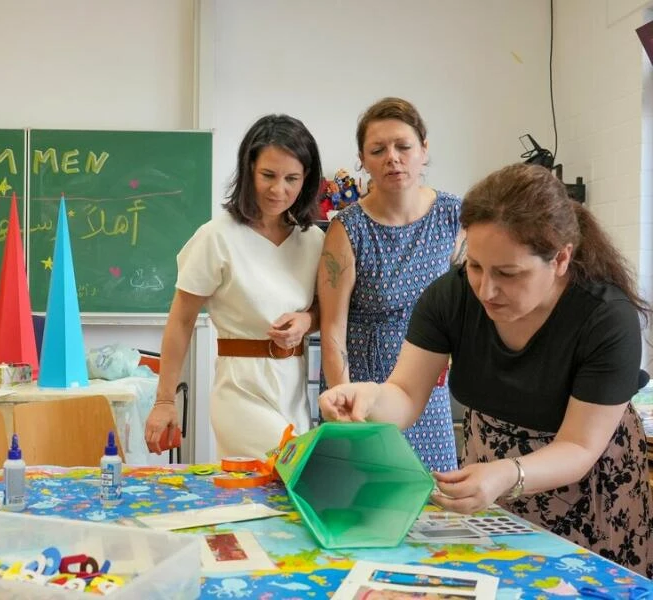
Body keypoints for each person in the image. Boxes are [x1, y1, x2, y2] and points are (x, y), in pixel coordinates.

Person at [319, 163, 652, 577]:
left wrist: (506, 474)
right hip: (490, 474)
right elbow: (404, 395)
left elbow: (580, 448)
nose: (486, 290)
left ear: (562, 258)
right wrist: (368, 398)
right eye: (475, 266)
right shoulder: (451, 296)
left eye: (508, 274)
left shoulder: (605, 318)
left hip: (587, 484)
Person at [144, 114, 325, 459]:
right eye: (268, 175)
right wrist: (165, 401)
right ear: (249, 171)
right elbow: (181, 320)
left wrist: (306, 321)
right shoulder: (217, 236)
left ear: (307, 180)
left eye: (292, 178)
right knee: (291, 470)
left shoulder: (312, 240)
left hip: (294, 391)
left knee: (280, 500)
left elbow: (322, 310)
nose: (279, 189)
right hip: (240, 390)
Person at [318, 97, 464, 473]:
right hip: (363, 393)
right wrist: (343, 405)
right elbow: (332, 327)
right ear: (363, 160)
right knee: (362, 501)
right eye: (378, 150)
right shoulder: (347, 228)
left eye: (403, 146)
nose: (392, 158)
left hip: (428, 389)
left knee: (435, 506)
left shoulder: (454, 216)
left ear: (424, 150)